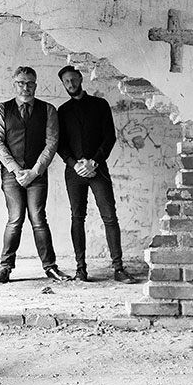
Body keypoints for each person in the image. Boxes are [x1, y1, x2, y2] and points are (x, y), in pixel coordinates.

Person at [0, 66, 72, 284]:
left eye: (29, 83)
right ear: (14, 84)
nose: (25, 87)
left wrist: (35, 171)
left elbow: (52, 143)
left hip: (37, 174)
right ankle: (5, 268)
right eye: (21, 83)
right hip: (12, 175)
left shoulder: (48, 110)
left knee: (38, 218)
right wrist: (17, 170)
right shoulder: (1, 110)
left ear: (35, 85)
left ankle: (50, 267)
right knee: (15, 219)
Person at [56, 66, 134, 283]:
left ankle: (118, 268)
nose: (70, 84)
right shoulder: (62, 111)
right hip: (74, 172)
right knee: (77, 217)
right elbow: (60, 144)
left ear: (81, 78)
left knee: (109, 216)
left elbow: (109, 137)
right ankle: (80, 269)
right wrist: (75, 165)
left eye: (73, 79)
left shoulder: (100, 105)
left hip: (97, 169)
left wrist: (94, 162)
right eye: (66, 81)